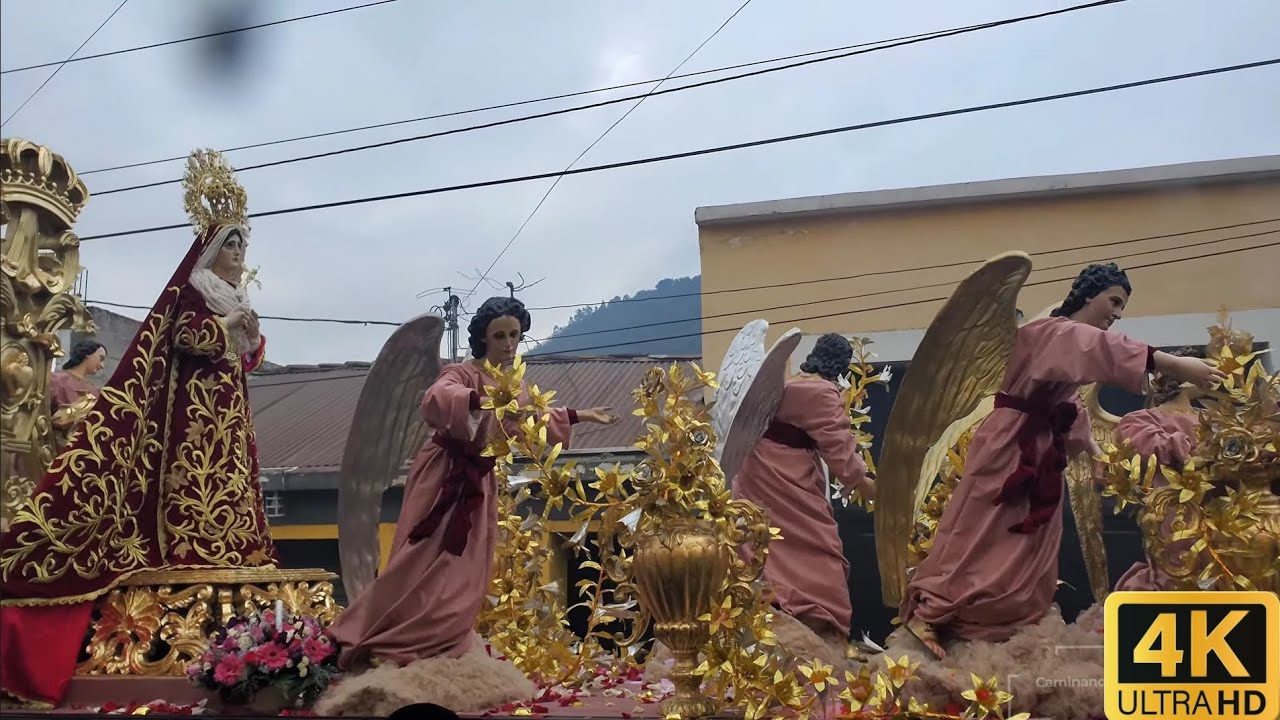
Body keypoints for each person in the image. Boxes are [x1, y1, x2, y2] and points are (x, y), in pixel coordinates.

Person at [0, 150, 277, 708]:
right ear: (210, 249)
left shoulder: (235, 295)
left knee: (231, 483)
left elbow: (244, 357)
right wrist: (225, 325)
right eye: (232, 243)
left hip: (227, 416)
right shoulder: (195, 288)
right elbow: (185, 338)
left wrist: (249, 334)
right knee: (191, 489)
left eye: (244, 245)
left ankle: (234, 547)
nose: (239, 253)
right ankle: (186, 549)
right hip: (190, 419)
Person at [899, 263, 1224, 659]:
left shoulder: (1061, 347)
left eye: (1121, 306)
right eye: (1113, 301)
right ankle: (931, 613)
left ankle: (1002, 622)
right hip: (1010, 447)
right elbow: (1097, 348)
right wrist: (1174, 363)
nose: (1116, 313)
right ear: (1089, 294)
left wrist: (1091, 450)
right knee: (980, 532)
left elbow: (1068, 404)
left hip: (1040, 449)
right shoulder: (1049, 332)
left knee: (1030, 542)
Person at [326, 296, 619, 675]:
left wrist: (581, 415)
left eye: (515, 334)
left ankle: (445, 643)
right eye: (500, 335)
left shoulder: (517, 385)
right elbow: (436, 397)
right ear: (484, 338)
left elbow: (531, 419)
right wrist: (479, 401)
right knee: (419, 560)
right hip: (444, 475)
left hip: (479, 481)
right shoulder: (463, 373)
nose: (509, 344)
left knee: (468, 570)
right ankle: (386, 636)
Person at [731, 333, 875, 652]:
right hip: (787, 480)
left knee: (763, 547)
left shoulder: (788, 383)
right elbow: (840, 452)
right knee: (819, 550)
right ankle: (815, 622)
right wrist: (869, 486)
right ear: (839, 364)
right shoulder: (821, 392)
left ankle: (771, 617)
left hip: (755, 474)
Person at [1113, 347, 1203, 592]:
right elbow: (1142, 446)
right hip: (1173, 507)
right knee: (1181, 562)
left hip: (1220, 504)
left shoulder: (1214, 418)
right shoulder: (1141, 419)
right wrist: (1190, 448)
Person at [48, 340, 106, 450]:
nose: (102, 365)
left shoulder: (95, 392)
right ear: (88, 354)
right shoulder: (55, 380)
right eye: (101, 358)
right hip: (52, 446)